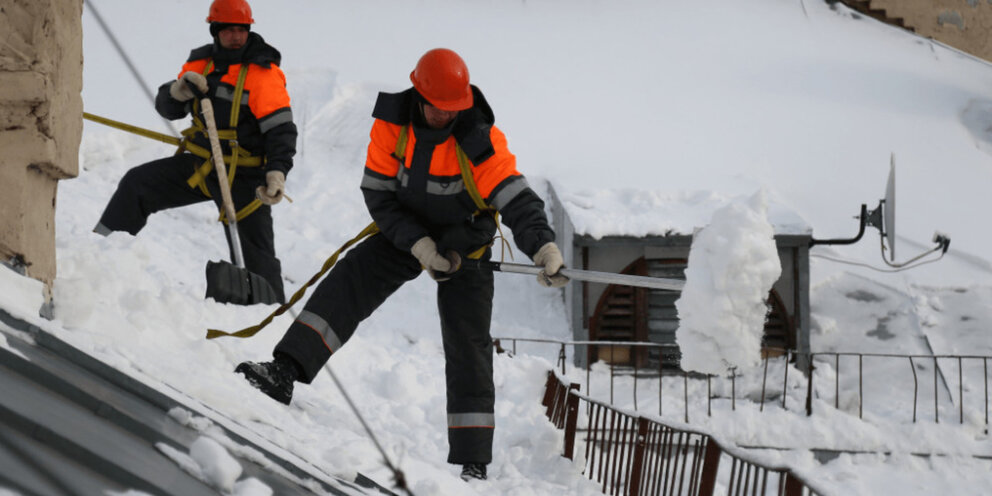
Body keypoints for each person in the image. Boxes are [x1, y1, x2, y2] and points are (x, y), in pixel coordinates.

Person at [235, 48, 568, 481]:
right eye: (437, 108)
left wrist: (543, 247)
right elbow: (379, 195)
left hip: (466, 242)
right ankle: (286, 369)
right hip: (407, 230)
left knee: (468, 341)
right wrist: (418, 245)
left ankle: (473, 458)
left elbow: (515, 196)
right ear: (418, 94)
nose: (444, 117)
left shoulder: (478, 137)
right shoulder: (392, 126)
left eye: (453, 109)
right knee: (352, 278)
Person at [93, 0, 296, 303]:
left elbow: (281, 130)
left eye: (241, 29)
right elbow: (168, 108)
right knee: (137, 184)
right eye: (228, 30)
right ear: (216, 31)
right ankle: (95, 255)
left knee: (256, 253)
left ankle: (269, 316)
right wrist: (177, 93)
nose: (235, 36)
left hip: (243, 175)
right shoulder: (201, 65)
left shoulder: (262, 74)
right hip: (201, 165)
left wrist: (276, 173)